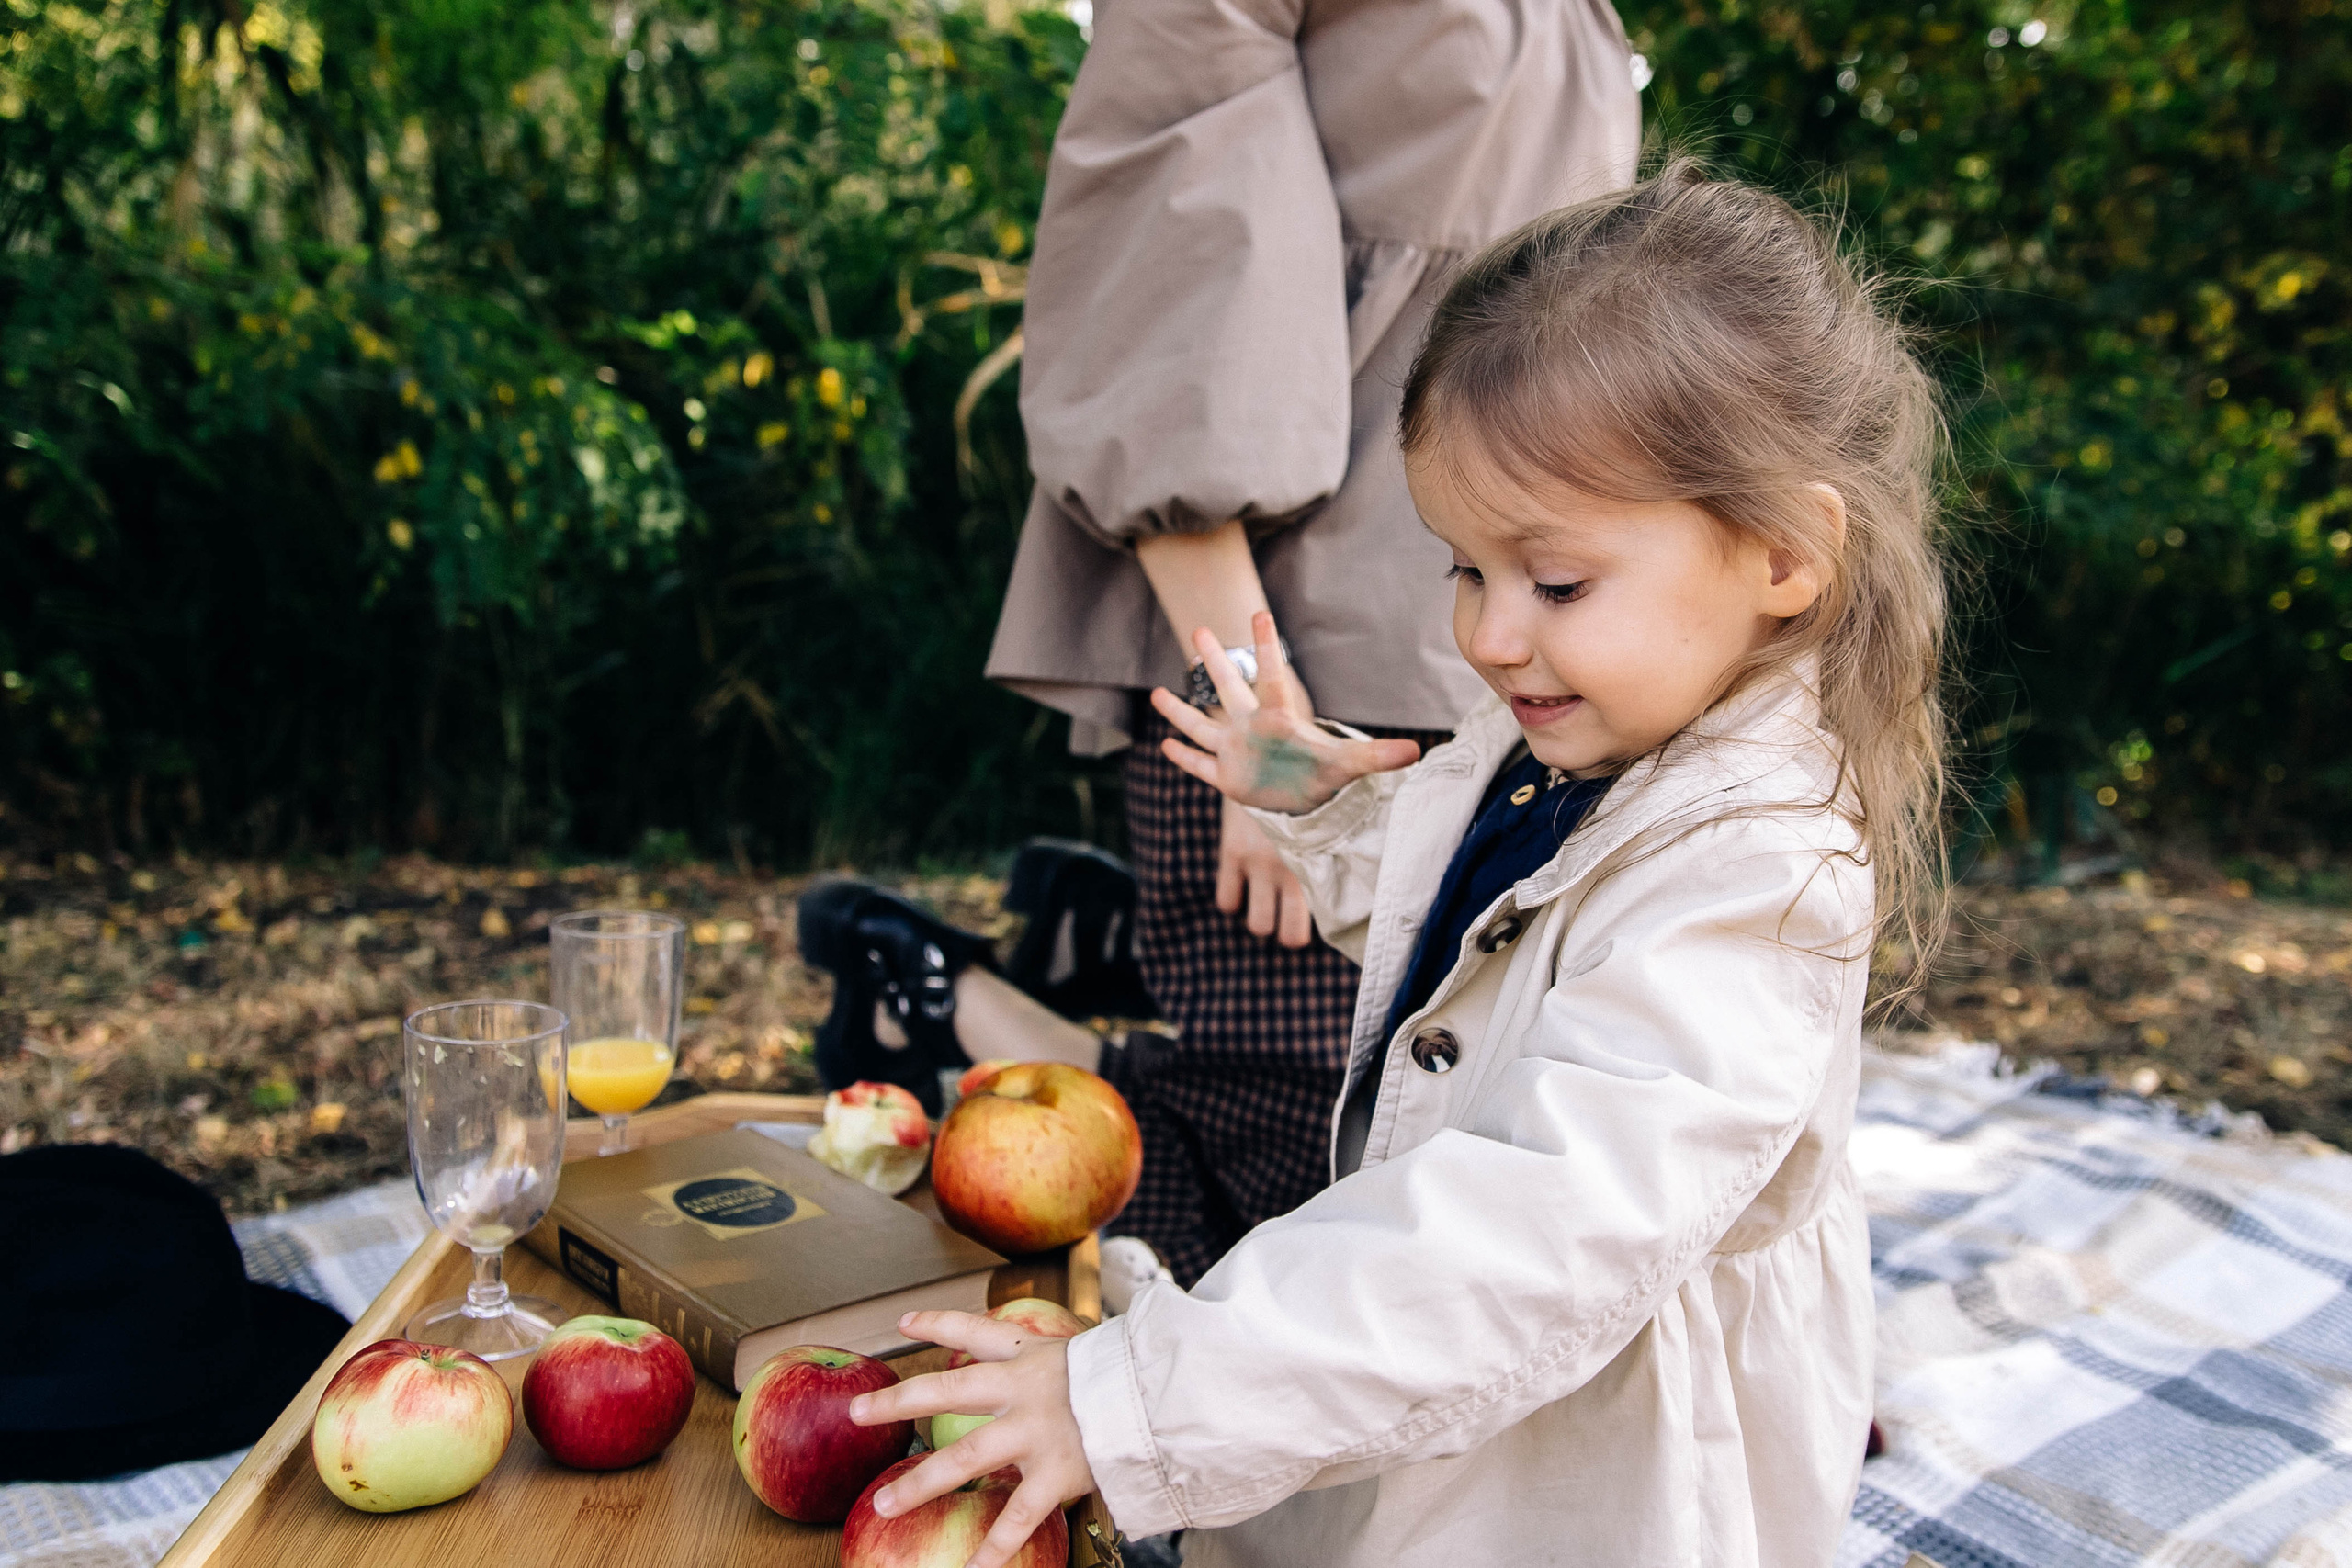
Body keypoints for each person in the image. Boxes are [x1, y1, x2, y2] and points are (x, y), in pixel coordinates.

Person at [847, 162, 1953, 1568]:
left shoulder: (1760, 880)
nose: (1488, 636)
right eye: (1463, 570)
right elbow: (1484, 917)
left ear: (1785, 559)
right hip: (1453, 1391)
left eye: (1552, 582)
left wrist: (1135, 1401)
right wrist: (1323, 811)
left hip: (1600, 1476)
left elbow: (1524, 1242)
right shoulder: (1579, 733)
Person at [979, 0, 1642, 1290]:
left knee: (1474, 1112)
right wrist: (1264, 729)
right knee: (1307, 1176)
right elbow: (1168, 305)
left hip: (1492, 644)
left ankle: (1085, 938)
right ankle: (953, 1000)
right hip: (1295, 663)